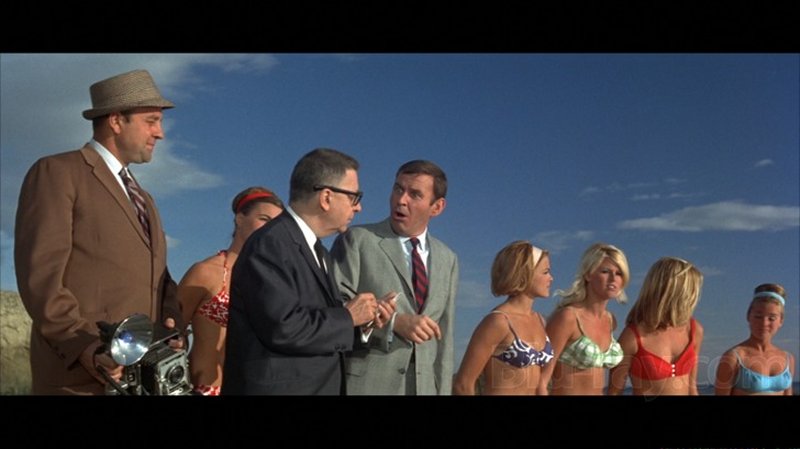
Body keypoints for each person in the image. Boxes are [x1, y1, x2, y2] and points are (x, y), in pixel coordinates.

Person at [14, 69, 184, 395]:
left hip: (140, 381)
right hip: (79, 380)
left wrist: (171, 318)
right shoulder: (58, 172)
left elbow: (159, 277)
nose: (160, 133)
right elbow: (41, 279)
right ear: (116, 121)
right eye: (151, 121)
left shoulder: (145, 199)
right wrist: (86, 348)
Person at [222, 148, 381, 395]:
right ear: (326, 197)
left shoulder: (318, 251)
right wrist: (348, 317)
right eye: (354, 197)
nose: (358, 207)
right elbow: (283, 328)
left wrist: (363, 324)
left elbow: (314, 326)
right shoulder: (271, 243)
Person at [331, 159, 459, 395]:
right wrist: (393, 323)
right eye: (398, 189)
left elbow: (445, 337)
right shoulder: (356, 240)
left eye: (415, 194)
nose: (401, 200)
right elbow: (333, 308)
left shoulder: (448, 259)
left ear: (437, 207)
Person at [178, 187, 284, 396]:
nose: (269, 229)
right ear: (239, 219)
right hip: (206, 389)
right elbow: (170, 330)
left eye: (276, 225)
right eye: (264, 219)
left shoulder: (275, 281)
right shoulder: (206, 272)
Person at [453, 241, 554, 395]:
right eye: (545, 272)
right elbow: (463, 384)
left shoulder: (541, 320)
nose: (551, 278)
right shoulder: (498, 322)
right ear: (524, 274)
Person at [540, 242, 630, 395]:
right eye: (605, 271)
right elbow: (541, 380)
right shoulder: (568, 317)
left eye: (619, 273)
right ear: (588, 274)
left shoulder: (610, 320)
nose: (613, 278)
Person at [608, 257, 704, 396]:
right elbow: (614, 392)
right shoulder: (632, 337)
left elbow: (692, 388)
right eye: (691, 292)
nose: (693, 299)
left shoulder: (694, 330)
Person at [714, 283, 794, 395]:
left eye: (771, 318)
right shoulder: (734, 357)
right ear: (748, 316)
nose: (764, 323)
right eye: (758, 316)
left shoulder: (788, 359)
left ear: (781, 321)